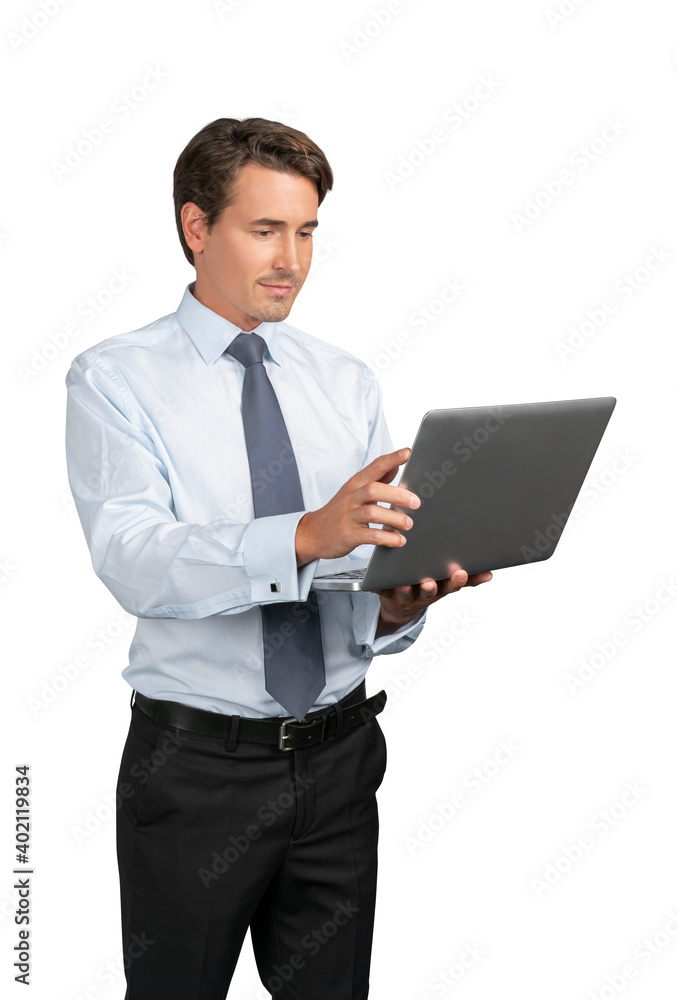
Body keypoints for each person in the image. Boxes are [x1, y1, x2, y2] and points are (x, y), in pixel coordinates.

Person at [64, 117, 492, 1000]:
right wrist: (304, 535)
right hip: (194, 777)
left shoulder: (344, 379)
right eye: (264, 230)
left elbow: (358, 565)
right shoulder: (114, 378)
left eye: (305, 232)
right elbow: (132, 558)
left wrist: (398, 605)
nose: (290, 259)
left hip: (339, 761)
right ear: (196, 228)